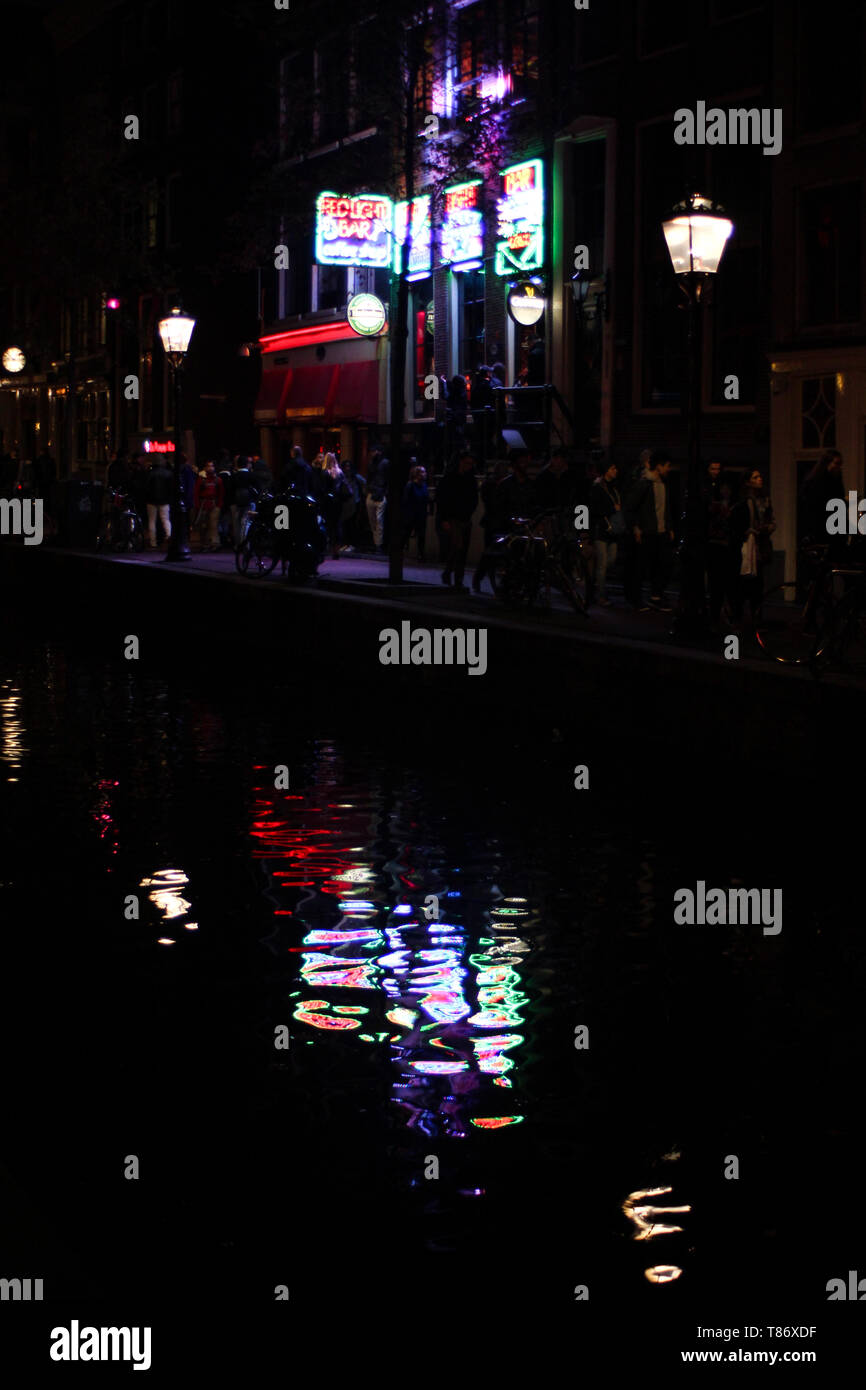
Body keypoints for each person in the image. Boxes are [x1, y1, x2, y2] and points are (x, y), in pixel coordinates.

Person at [625, 448, 675, 611]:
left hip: (660, 532)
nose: (668, 469)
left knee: (661, 565)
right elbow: (631, 507)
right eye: (666, 466)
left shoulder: (663, 484)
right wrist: (636, 527)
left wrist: (669, 527)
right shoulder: (644, 484)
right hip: (647, 532)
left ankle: (656, 596)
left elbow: (664, 508)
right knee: (641, 567)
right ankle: (636, 599)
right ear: (659, 466)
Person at [729, 467, 775, 626]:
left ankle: (757, 617)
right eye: (755, 477)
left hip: (760, 544)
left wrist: (769, 527)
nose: (760, 479)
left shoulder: (765, 499)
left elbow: (770, 518)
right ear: (748, 481)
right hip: (746, 543)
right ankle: (737, 616)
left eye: (760, 476)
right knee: (742, 582)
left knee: (758, 584)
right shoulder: (743, 500)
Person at [436, 452, 478, 592]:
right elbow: (442, 499)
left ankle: (450, 573)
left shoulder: (469, 480)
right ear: (461, 462)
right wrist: (445, 519)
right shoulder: (451, 479)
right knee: (458, 547)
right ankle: (455, 577)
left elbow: (473, 500)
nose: (469, 466)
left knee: (460, 549)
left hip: (463, 518)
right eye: (467, 463)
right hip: (454, 518)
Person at [701, 460, 733, 629]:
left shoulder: (721, 493)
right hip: (714, 542)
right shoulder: (708, 490)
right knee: (716, 581)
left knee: (719, 581)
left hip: (720, 542)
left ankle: (717, 613)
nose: (715, 471)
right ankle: (715, 614)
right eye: (713, 468)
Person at [588, 461, 623, 606]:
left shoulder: (614, 487)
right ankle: (600, 595)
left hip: (613, 529)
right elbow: (593, 509)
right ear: (606, 470)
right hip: (601, 529)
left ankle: (595, 580)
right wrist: (612, 508)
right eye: (613, 468)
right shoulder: (597, 488)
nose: (616, 470)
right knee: (603, 563)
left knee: (611, 559)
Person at [192, 460, 225, 552]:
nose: (210, 468)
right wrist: (198, 505)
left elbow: (221, 494)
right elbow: (196, 493)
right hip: (203, 505)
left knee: (213, 525)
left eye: (212, 466)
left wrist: (219, 505)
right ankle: (205, 544)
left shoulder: (218, 480)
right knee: (203, 526)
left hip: (214, 504)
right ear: (205, 468)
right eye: (208, 466)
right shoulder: (201, 480)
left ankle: (215, 543)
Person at [402, 463, 429, 562]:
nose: (425, 474)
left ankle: (421, 554)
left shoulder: (424, 485)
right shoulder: (410, 485)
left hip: (421, 514)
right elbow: (405, 500)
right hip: (411, 514)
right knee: (406, 533)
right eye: (422, 472)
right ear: (416, 474)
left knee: (422, 535)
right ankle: (400, 552)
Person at [145, 454, 174, 548]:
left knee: (152, 521)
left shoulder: (150, 473)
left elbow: (146, 487)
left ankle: (153, 542)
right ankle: (169, 536)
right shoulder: (168, 473)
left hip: (151, 500)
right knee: (165, 519)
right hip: (164, 500)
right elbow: (170, 488)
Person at [365, 448, 389, 552]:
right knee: (373, 520)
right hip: (372, 492)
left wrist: (385, 492)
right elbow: (369, 477)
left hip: (380, 493)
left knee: (378, 520)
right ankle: (377, 543)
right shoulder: (371, 463)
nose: (373, 453)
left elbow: (388, 478)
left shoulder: (385, 463)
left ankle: (378, 544)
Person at [230, 456, 255, 546]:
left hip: (236, 502)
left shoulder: (233, 476)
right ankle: (246, 543)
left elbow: (230, 490)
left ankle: (237, 545)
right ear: (247, 464)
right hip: (249, 501)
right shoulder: (251, 475)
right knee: (246, 522)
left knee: (236, 523)